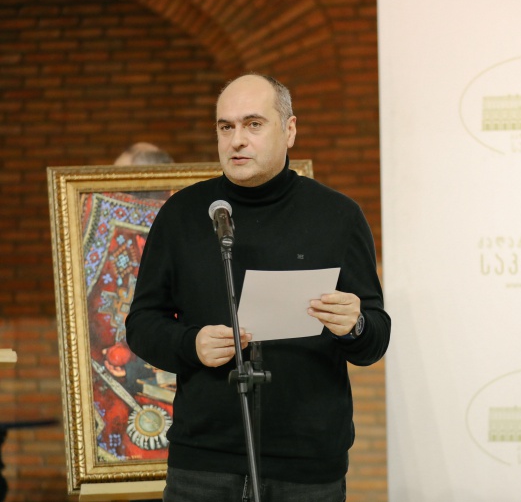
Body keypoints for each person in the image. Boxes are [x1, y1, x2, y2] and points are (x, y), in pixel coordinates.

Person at [126, 73, 390, 502]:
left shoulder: (338, 216)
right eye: (225, 127)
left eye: (253, 124)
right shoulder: (181, 214)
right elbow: (141, 324)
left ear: (289, 130)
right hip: (204, 463)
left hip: (307, 466)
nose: (237, 140)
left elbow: (374, 338)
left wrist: (354, 325)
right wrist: (191, 344)